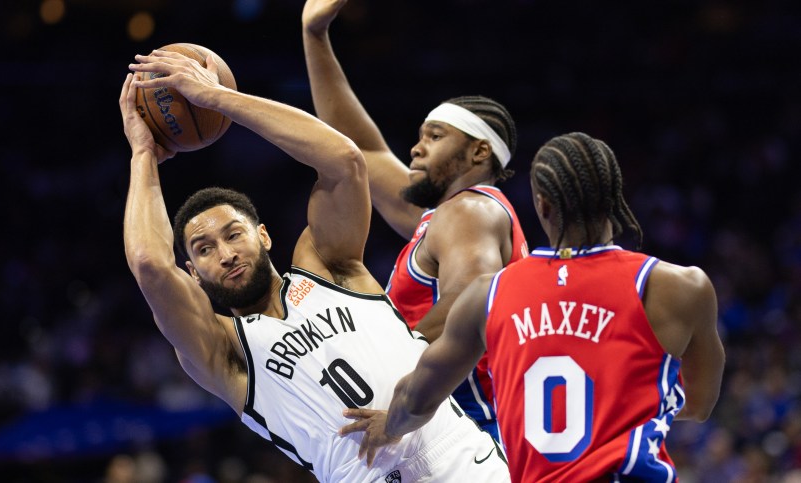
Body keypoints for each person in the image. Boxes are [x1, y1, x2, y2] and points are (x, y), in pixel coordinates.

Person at [120, 49, 509, 482]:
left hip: (458, 457)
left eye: (233, 234)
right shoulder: (223, 350)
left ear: (263, 235)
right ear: (192, 272)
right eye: (204, 249)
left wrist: (217, 99)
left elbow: (344, 161)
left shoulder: (327, 266)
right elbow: (149, 263)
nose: (225, 253)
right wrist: (143, 154)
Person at [340, 132, 726, 481]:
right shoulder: (679, 287)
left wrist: (387, 425)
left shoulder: (488, 294)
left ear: (541, 205)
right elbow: (699, 403)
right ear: (615, 197)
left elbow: (417, 400)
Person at [302, 0, 529, 439]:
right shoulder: (443, 215)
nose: (415, 148)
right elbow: (359, 152)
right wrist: (315, 36)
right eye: (420, 137)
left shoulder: (470, 211)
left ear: (479, 152)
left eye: (435, 137)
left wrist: (382, 368)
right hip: (449, 422)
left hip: (478, 430)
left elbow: (467, 306)